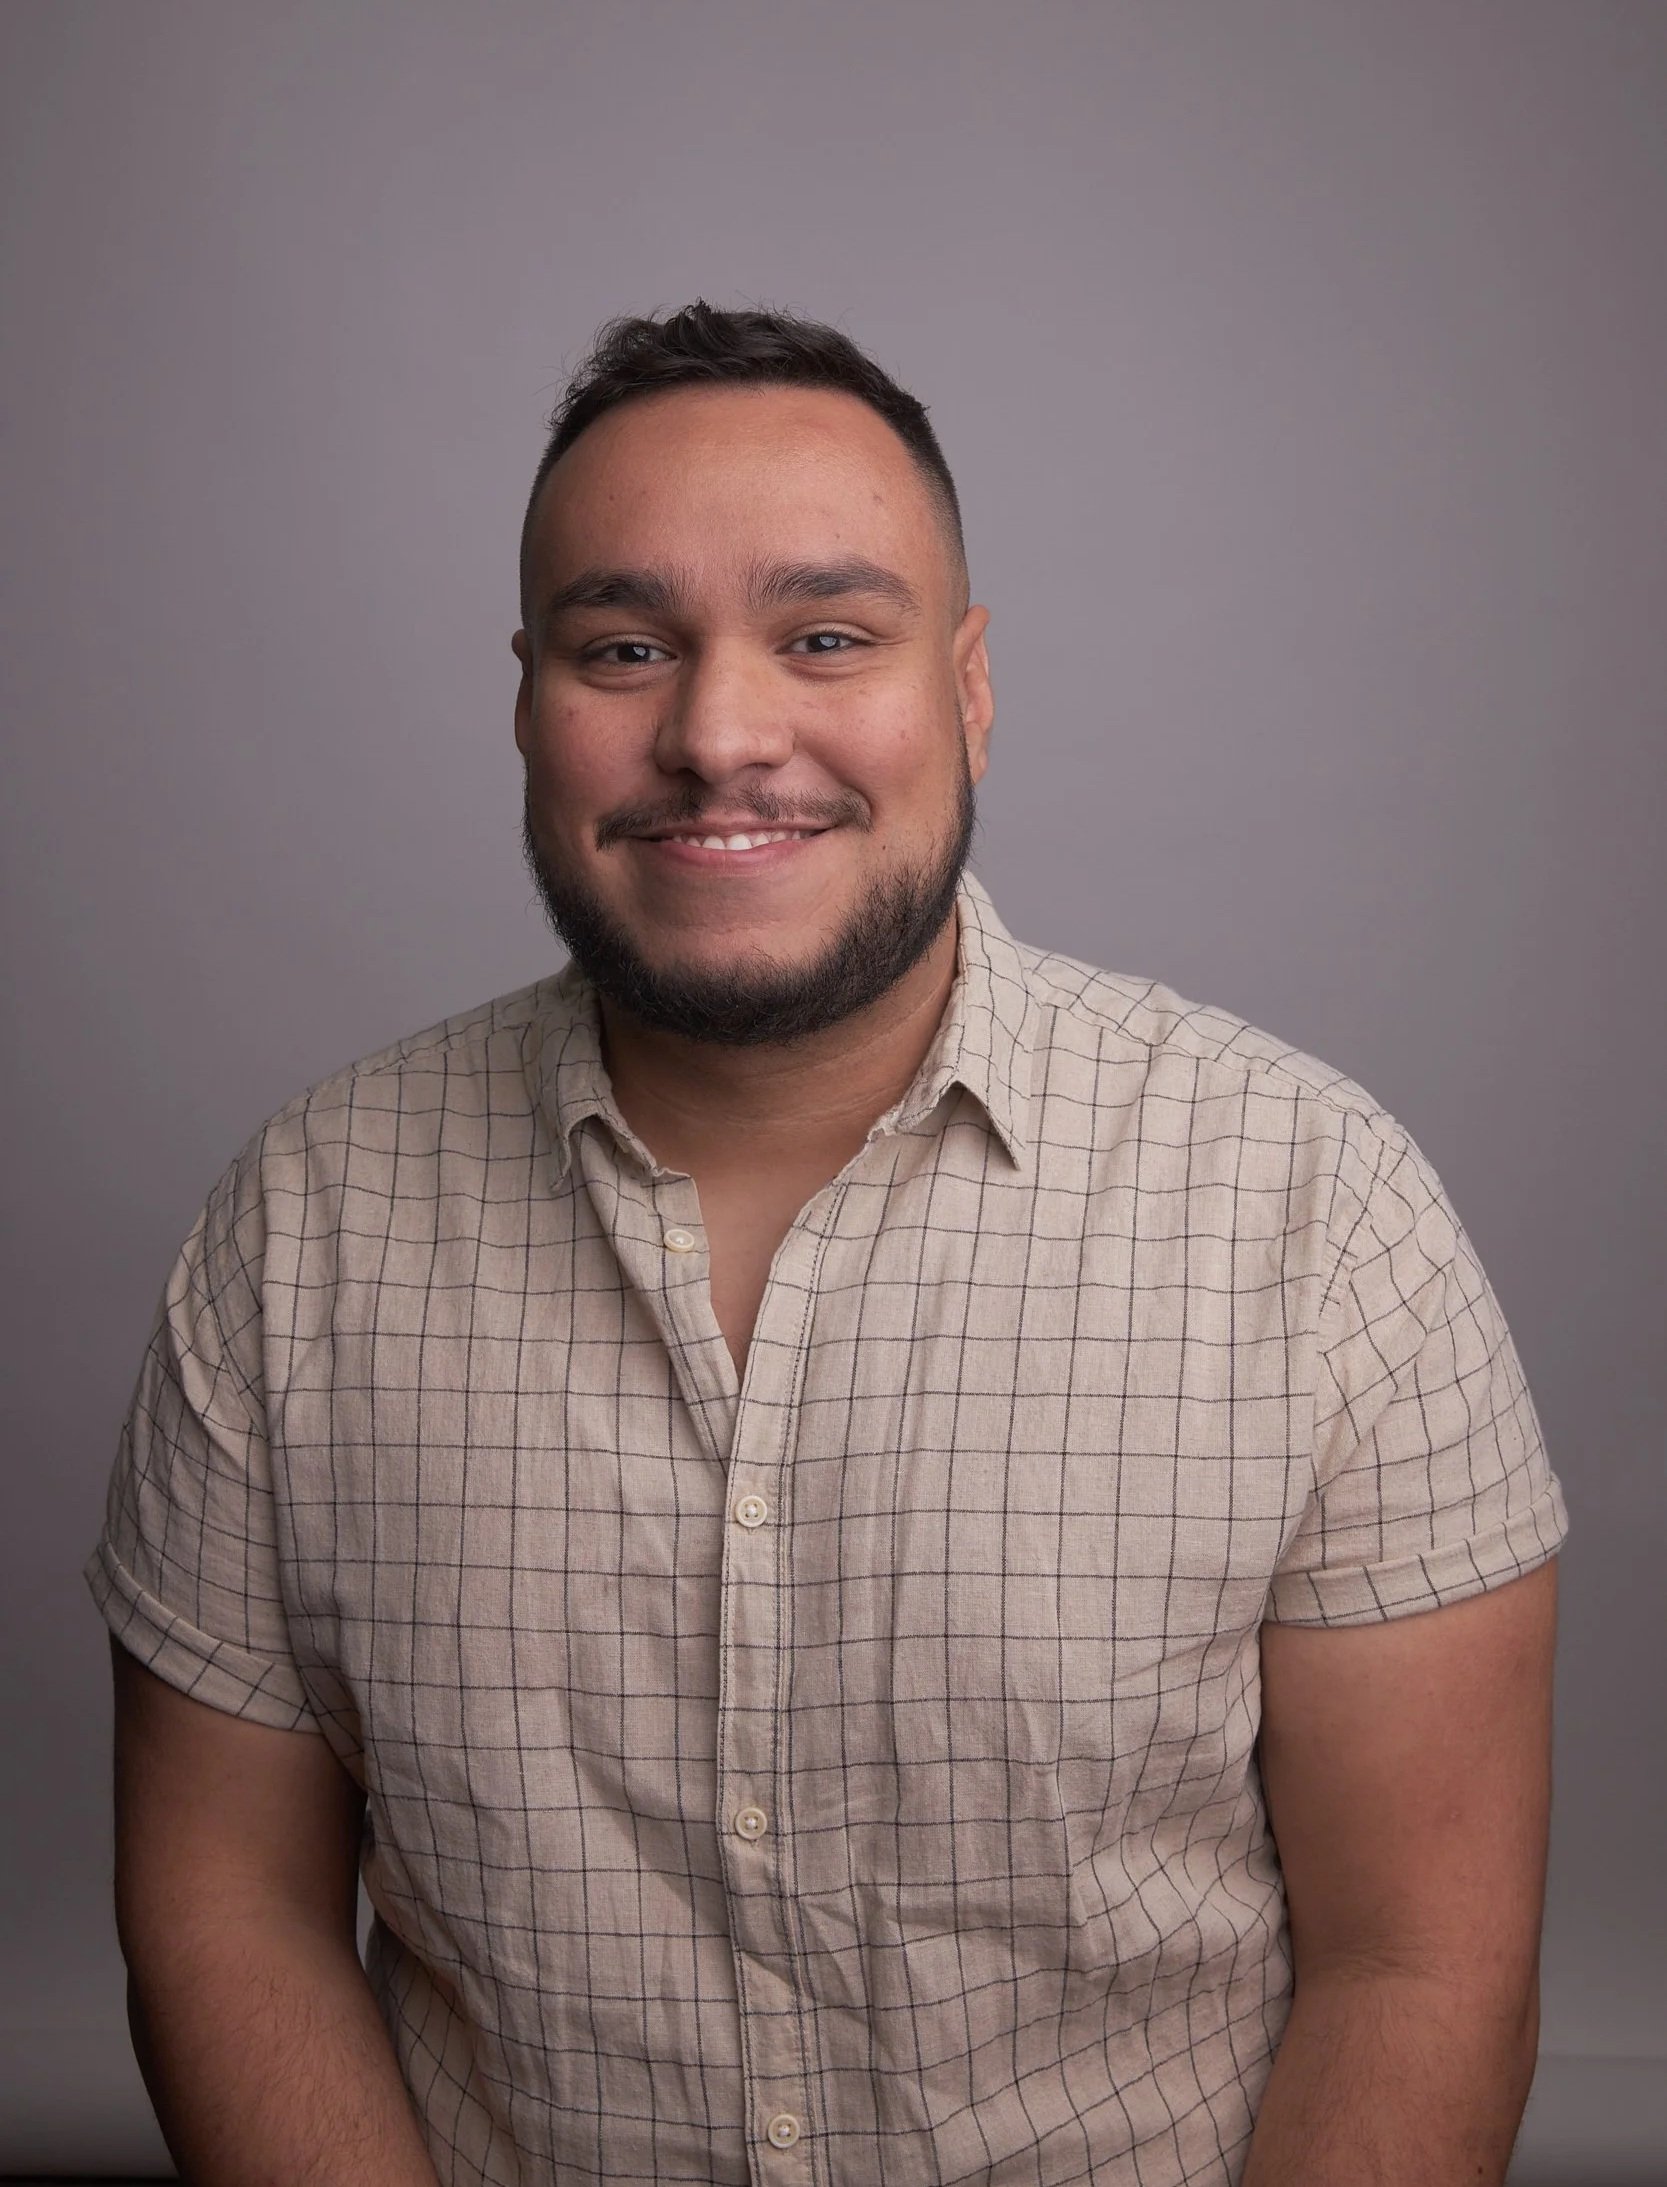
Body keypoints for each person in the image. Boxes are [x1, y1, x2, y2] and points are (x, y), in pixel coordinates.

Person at [89, 302, 1570, 2187]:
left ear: (967, 687)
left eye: (825, 639)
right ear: (527, 698)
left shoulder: (1319, 1216)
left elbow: (1423, 1965)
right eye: (624, 647)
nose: (719, 734)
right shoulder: (300, 1229)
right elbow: (229, 1913)